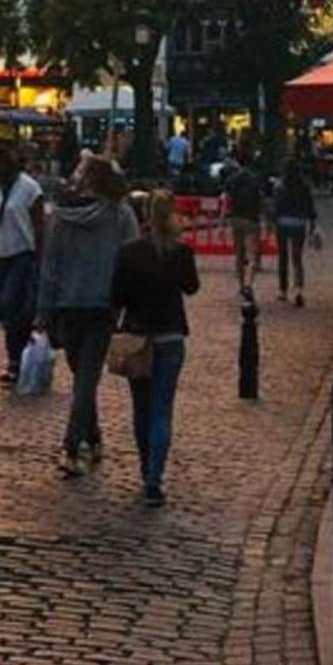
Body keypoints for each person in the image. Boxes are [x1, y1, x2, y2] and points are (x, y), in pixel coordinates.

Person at [38, 155, 139, 476]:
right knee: (85, 377)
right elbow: (132, 258)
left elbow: (49, 266)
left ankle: (72, 443)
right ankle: (90, 437)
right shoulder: (120, 215)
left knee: (84, 375)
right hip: (101, 304)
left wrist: (45, 309)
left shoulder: (60, 216)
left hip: (70, 304)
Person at [112, 190, 199, 504]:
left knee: (142, 408)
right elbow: (192, 287)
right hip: (171, 335)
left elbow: (117, 295)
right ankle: (154, 479)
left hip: (139, 337)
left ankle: (146, 467)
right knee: (162, 410)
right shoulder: (180, 252)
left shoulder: (131, 252)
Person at [0, 142, 45, 385]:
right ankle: (15, 358)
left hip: (23, 254)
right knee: (4, 311)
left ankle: (19, 359)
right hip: (2, 256)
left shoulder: (29, 189)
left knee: (14, 306)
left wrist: (41, 261)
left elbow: (39, 228)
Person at [220, 147, 265, 295]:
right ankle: (249, 284)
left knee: (239, 253)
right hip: (252, 218)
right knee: (252, 254)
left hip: (236, 217)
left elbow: (227, 201)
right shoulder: (256, 178)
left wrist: (222, 221)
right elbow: (261, 199)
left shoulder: (232, 179)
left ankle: (240, 283)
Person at [273, 155, 317, 307]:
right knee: (297, 258)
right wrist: (312, 224)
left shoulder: (279, 187)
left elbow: (276, 207)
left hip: (283, 222)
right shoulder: (304, 186)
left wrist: (273, 221)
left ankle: (283, 290)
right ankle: (299, 289)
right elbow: (310, 207)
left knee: (283, 257)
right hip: (299, 223)